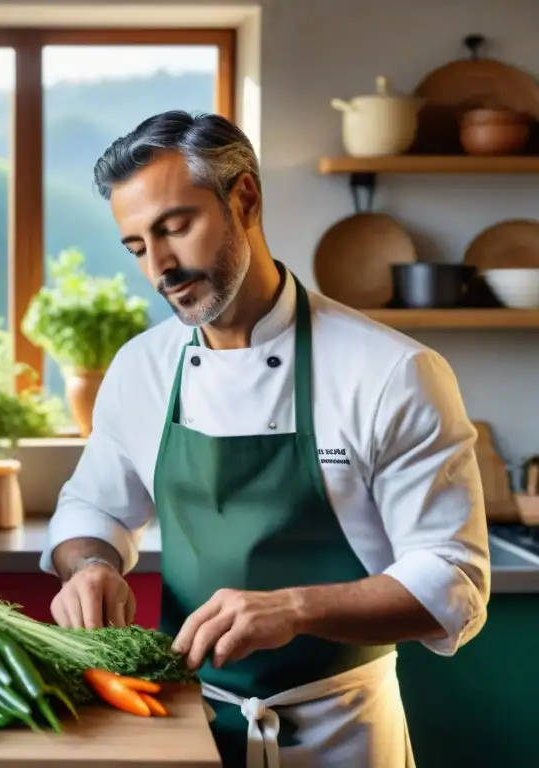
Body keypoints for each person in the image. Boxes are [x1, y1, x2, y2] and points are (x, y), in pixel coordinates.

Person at [39, 111, 491, 768]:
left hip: (345, 734)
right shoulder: (142, 368)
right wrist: (91, 566)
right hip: (182, 720)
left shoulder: (392, 372)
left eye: (175, 228)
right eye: (138, 247)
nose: (160, 266)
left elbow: (451, 578)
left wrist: (295, 608)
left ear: (244, 198)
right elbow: (97, 509)